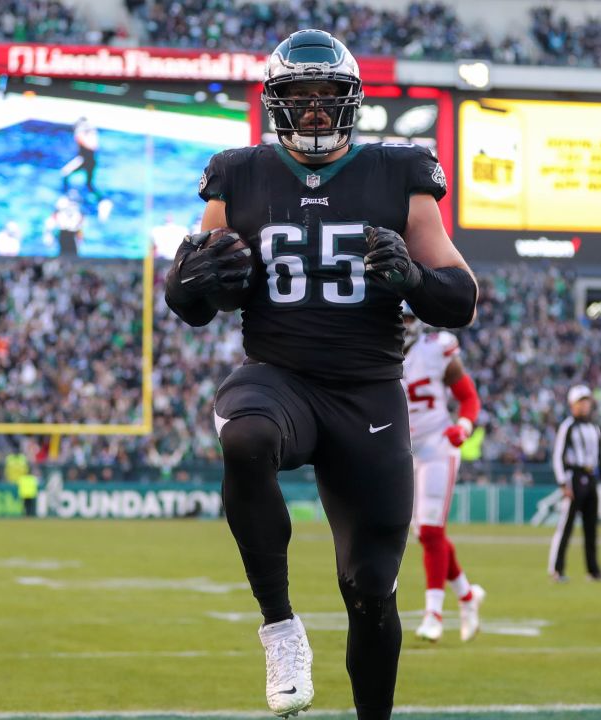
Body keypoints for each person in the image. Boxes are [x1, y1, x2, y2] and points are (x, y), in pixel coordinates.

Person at [163, 29, 476, 720]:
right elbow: (190, 301)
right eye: (296, 97)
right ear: (275, 103)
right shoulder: (237, 173)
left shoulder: (400, 171)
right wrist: (190, 277)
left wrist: (414, 277)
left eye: (324, 95)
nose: (310, 110)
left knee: (370, 587)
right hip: (280, 376)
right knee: (244, 438)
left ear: (350, 101)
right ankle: (280, 628)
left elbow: (461, 299)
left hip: (368, 394)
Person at [400, 304, 486, 643]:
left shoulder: (436, 350)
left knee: (432, 531)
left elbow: (468, 398)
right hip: (402, 451)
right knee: (424, 532)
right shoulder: (375, 350)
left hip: (437, 444)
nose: (402, 325)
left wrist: (463, 425)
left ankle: (434, 613)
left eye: (406, 318)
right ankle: (467, 595)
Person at [548, 384, 601, 583]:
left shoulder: (594, 427)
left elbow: (599, 457)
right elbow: (558, 456)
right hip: (575, 478)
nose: (585, 406)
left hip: (591, 477)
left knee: (591, 527)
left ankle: (593, 570)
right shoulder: (568, 426)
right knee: (566, 526)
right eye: (581, 402)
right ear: (572, 404)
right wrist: (563, 483)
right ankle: (557, 569)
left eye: (587, 402)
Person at [61, 116, 99, 199]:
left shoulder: (87, 133)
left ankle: (97, 199)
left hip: (86, 160)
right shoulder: (86, 133)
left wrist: (81, 135)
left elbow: (92, 146)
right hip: (85, 159)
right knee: (65, 173)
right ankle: (66, 194)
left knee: (88, 184)